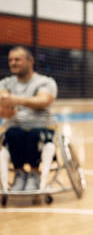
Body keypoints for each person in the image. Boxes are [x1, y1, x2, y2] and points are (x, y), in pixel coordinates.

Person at [0, 46, 57, 191]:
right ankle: (19, 174)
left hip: (41, 129)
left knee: (34, 134)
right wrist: (7, 109)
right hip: (15, 129)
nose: (13, 63)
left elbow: (43, 101)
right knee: (12, 133)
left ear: (30, 61)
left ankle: (34, 174)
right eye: (10, 60)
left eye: (17, 59)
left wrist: (14, 99)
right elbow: (4, 106)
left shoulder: (45, 82)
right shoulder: (6, 83)